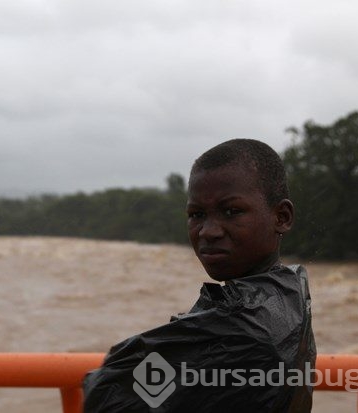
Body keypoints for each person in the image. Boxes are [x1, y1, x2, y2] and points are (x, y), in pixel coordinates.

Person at [83, 139, 316, 412]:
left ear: (282, 217)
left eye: (232, 211)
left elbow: (109, 394)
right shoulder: (288, 290)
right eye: (197, 214)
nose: (208, 231)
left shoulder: (242, 327)